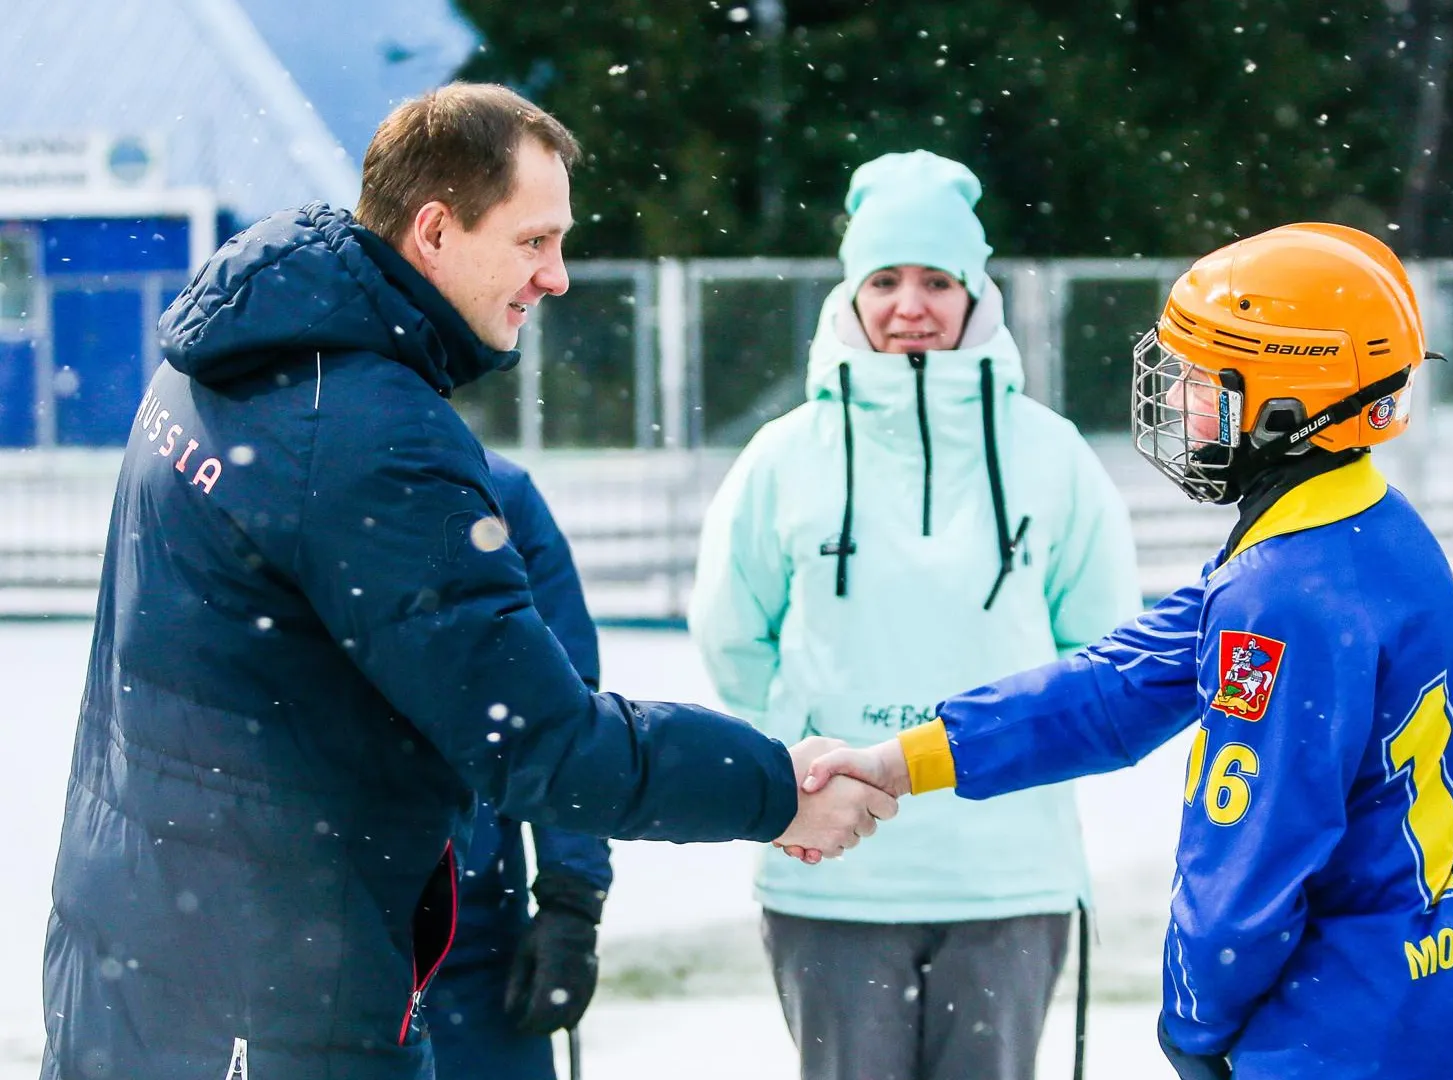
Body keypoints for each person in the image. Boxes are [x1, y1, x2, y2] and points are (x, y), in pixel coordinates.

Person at [40, 82, 893, 1080]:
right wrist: (774, 789)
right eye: (534, 241)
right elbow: (535, 741)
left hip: (142, 941)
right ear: (436, 230)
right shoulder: (368, 435)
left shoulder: (231, 357)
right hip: (260, 993)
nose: (558, 276)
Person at [797, 223, 1453, 1080]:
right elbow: (1123, 682)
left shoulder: (1279, 593)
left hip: (1360, 1036)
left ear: (1283, 404)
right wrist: (904, 762)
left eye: (1202, 380)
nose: (1178, 401)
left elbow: (1250, 857)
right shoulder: (1358, 524)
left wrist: (1198, 1024)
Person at [688, 149, 1140, 1080]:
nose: (910, 305)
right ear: (849, 294)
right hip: (835, 870)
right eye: (885, 279)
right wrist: (805, 757)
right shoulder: (785, 458)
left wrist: (1011, 754)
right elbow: (733, 635)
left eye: (938, 279)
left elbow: (1102, 653)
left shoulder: (1050, 456)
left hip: (1007, 872)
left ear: (977, 294)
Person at [420, 449, 610, 1079]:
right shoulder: (251, 479)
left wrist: (571, 897)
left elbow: (563, 717)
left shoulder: (499, 496)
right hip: (300, 934)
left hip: (474, 940)